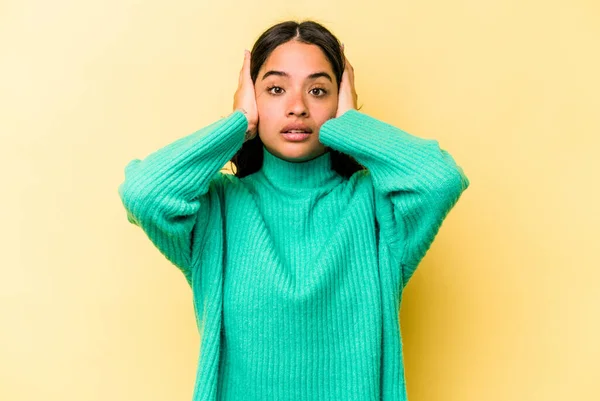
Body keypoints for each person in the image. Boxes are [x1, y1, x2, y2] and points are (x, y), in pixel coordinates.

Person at [118, 20, 470, 401]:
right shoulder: (216, 209)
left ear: (340, 101)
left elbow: (440, 179)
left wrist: (351, 126)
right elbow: (143, 191)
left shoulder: (376, 207)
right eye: (275, 89)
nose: (298, 107)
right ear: (252, 98)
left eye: (318, 90)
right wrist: (239, 124)